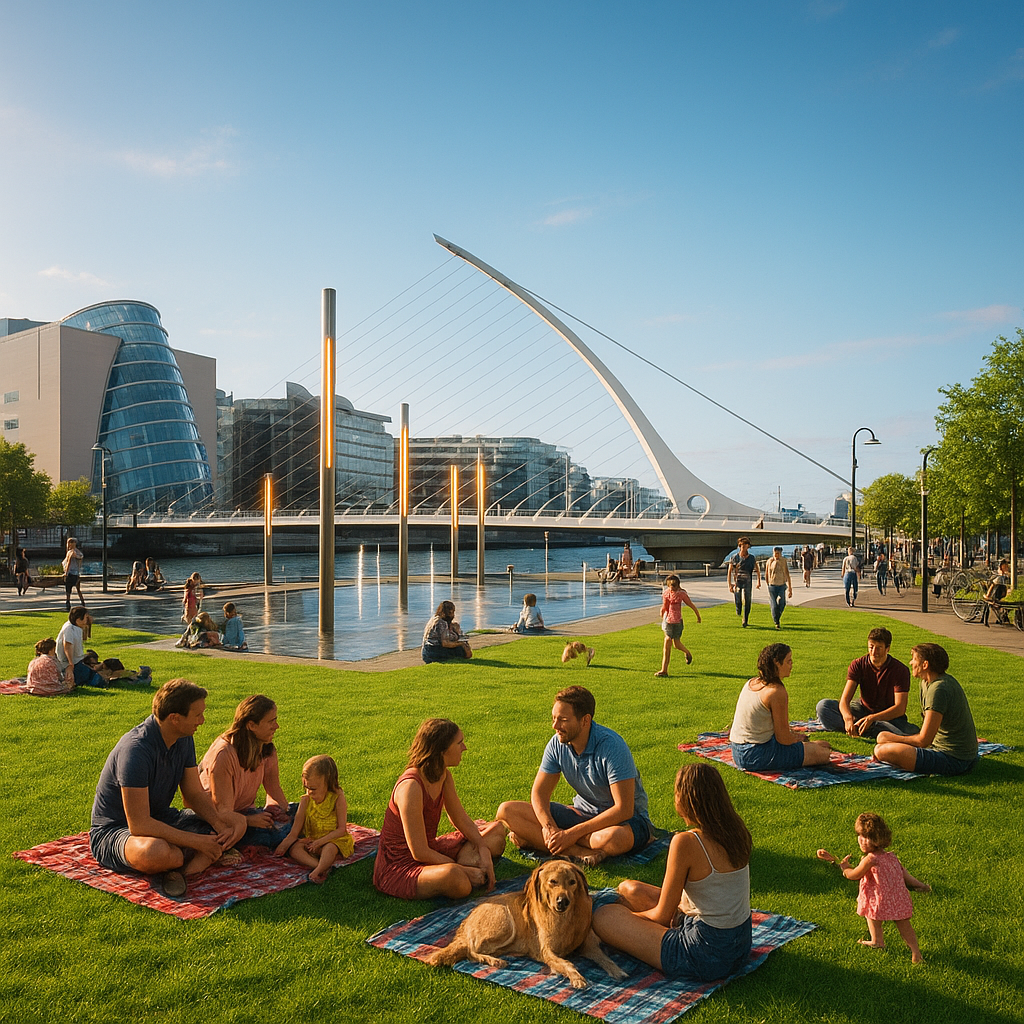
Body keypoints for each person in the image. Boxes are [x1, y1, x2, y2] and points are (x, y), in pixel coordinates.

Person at [592, 763, 752, 981]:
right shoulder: (737, 831)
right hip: (740, 945)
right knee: (630, 888)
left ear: (687, 800)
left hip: (703, 954)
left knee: (603, 917)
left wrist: (629, 921)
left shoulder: (686, 842)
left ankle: (624, 930)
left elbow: (662, 916)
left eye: (676, 793)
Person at [89, 679, 245, 897]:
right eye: (197, 715)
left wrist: (219, 826)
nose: (202, 721)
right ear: (174, 718)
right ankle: (187, 860)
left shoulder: (183, 738)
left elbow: (193, 795)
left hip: (164, 820)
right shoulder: (135, 751)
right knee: (156, 852)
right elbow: (139, 824)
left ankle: (186, 862)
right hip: (117, 831)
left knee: (235, 822)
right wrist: (197, 841)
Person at [497, 685, 653, 865]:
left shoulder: (612, 747)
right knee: (507, 811)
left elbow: (623, 809)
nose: (555, 726)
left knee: (613, 839)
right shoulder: (557, 744)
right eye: (554, 718)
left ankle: (548, 841)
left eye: (563, 720)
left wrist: (571, 834)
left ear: (585, 720)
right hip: (580, 813)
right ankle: (576, 852)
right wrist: (549, 828)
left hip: (625, 821)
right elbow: (539, 794)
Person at [373, 718, 505, 899]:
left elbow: (459, 818)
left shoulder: (444, 775)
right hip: (400, 866)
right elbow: (418, 851)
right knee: (458, 881)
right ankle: (463, 869)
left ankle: (467, 866)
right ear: (442, 751)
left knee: (497, 833)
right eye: (459, 743)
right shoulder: (411, 787)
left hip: (431, 851)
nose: (464, 748)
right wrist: (460, 869)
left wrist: (481, 847)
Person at [817, 812, 930, 963]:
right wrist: (921, 886)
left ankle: (877, 941)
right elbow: (906, 876)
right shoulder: (891, 856)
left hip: (877, 899)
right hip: (898, 898)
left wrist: (844, 868)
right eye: (860, 835)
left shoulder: (870, 859)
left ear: (877, 840)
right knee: (904, 925)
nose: (861, 840)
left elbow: (854, 875)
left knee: (871, 915)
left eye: (865, 837)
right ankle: (916, 953)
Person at [195, 694, 291, 847]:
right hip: (214, 818)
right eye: (271, 722)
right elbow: (222, 810)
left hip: (244, 812)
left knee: (299, 818)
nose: (277, 726)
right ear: (251, 725)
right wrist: (250, 821)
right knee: (270, 838)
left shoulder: (266, 749)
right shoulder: (224, 754)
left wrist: (283, 811)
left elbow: (273, 788)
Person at [873, 643, 979, 776]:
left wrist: (893, 738)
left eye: (914, 659)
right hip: (946, 749)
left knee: (881, 750)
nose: (911, 662)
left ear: (925, 665)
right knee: (882, 738)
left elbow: (923, 741)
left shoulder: (939, 689)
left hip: (955, 760)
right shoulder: (926, 683)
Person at [729, 644, 832, 770]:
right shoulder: (776, 692)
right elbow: (783, 738)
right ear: (777, 663)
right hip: (756, 755)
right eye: (788, 661)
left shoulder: (752, 682)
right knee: (824, 754)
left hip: (738, 751)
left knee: (822, 745)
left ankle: (810, 747)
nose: (792, 664)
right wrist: (797, 740)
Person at [815, 627, 913, 738]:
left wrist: (872, 718)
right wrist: (848, 719)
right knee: (823, 706)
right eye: (871, 647)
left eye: (879, 648)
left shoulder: (900, 670)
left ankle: (866, 728)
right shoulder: (858, 664)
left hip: (888, 717)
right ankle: (863, 728)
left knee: (906, 731)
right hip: (863, 710)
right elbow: (845, 700)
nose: (874, 652)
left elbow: (900, 708)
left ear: (888, 648)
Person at [274, 755, 353, 883]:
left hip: (332, 840)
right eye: (306, 787)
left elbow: (341, 829)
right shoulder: (306, 800)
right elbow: (294, 832)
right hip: (311, 841)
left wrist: (320, 842)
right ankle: (320, 866)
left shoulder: (337, 797)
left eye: (313, 789)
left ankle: (318, 870)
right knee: (295, 849)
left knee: (330, 849)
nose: (309, 792)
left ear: (328, 783)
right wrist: (283, 846)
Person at [655, 574, 701, 677]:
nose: (673, 589)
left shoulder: (679, 594)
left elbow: (690, 604)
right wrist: (663, 615)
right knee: (668, 642)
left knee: (675, 644)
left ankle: (687, 653)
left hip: (676, 622)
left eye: (673, 587)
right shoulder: (671, 593)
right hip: (670, 621)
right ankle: (664, 670)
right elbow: (665, 607)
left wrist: (698, 615)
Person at [55, 607, 105, 688]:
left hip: (77, 661)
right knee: (95, 679)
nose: (87, 619)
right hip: (69, 663)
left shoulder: (76, 627)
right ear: (78, 619)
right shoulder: (69, 629)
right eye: (85, 617)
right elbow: (67, 646)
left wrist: (88, 625)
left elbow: (84, 638)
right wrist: (70, 664)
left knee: (92, 675)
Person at [727, 536, 761, 628]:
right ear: (740, 546)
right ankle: (738, 608)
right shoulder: (735, 558)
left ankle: (745, 619)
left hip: (748, 582)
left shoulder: (751, 558)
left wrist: (758, 581)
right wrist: (730, 584)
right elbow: (730, 571)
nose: (744, 548)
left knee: (747, 601)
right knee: (738, 599)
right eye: (742, 546)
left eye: (746, 546)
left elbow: (757, 570)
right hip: (738, 582)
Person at [764, 546, 793, 630]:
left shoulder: (783, 561)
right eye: (775, 553)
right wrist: (768, 584)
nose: (776, 555)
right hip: (772, 585)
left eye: (778, 553)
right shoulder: (769, 561)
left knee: (782, 602)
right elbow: (766, 573)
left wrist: (790, 588)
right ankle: (776, 621)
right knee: (774, 604)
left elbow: (787, 573)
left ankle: (777, 616)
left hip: (781, 584)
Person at [980, 559, 1011, 626]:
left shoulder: (1002, 576)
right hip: (998, 594)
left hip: (999, 594)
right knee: (989, 603)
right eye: (1005, 567)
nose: (1006, 568)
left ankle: (985, 619)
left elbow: (994, 585)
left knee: (989, 604)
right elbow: (993, 585)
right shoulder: (1001, 576)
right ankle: (985, 619)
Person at [62, 538, 85, 611]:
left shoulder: (70, 552)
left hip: (71, 573)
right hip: (77, 573)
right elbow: (80, 559)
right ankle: (82, 602)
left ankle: (68, 603)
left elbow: (68, 563)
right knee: (78, 589)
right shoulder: (78, 552)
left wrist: (66, 573)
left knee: (68, 589)